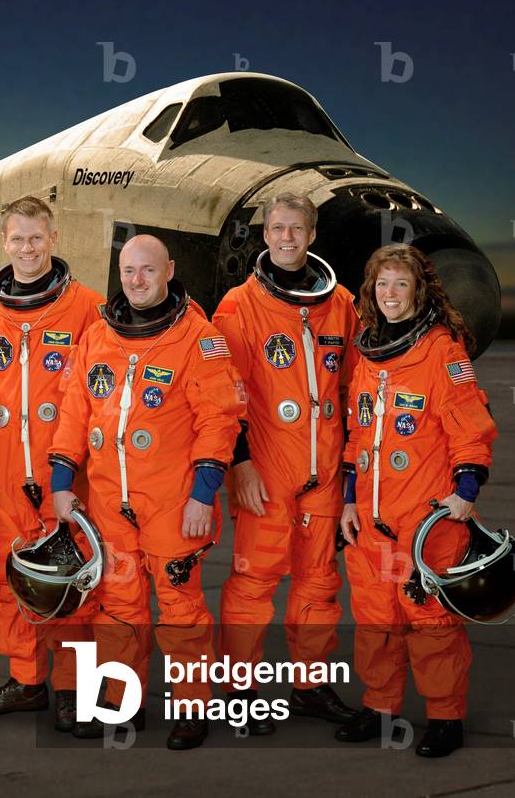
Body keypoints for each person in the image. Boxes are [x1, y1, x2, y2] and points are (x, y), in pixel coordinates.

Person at [49, 234, 244, 751]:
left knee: (179, 607)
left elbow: (220, 422)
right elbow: (74, 414)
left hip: (174, 503)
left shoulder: (199, 339)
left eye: (147, 271)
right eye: (128, 271)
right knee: (118, 606)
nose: (136, 281)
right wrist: (63, 484)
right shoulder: (96, 337)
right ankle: (120, 702)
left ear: (169, 270)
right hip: (111, 503)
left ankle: (192, 708)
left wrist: (204, 495)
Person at [337, 243, 497, 757]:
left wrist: (465, 492)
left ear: (419, 290)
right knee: (375, 619)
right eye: (382, 284)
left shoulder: (442, 351)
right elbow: (359, 434)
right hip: (371, 514)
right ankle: (380, 707)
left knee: (429, 621)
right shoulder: (368, 353)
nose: (389, 295)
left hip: (427, 515)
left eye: (400, 284)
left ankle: (445, 718)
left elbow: (470, 428)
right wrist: (347, 501)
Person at [212, 193, 359, 734]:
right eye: (277, 228)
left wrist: (350, 472)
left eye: (297, 228)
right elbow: (226, 396)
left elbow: (352, 385)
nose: (287, 238)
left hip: (324, 474)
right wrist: (240, 465)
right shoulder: (238, 307)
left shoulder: (340, 304)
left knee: (319, 583)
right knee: (254, 583)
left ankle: (310, 685)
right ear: (265, 233)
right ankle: (238, 694)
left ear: (312, 234)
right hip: (267, 473)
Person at [0, 196, 103, 730]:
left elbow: (101, 391)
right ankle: (26, 680)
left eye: (36, 238)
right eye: (17, 239)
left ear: (54, 240)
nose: (26, 248)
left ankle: (71, 688)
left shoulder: (87, 307)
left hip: (64, 476)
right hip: (3, 478)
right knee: (9, 583)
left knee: (75, 583)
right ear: (3, 243)